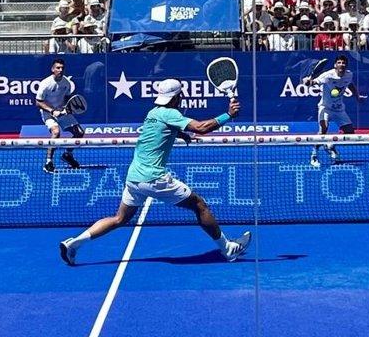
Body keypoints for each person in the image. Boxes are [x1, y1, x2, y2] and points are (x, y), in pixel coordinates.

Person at [60, 79, 251, 265]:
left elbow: (160, 130)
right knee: (199, 205)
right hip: (154, 178)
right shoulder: (170, 113)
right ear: (177, 97)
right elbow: (201, 128)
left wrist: (181, 133)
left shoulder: (153, 112)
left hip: (134, 177)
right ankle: (228, 249)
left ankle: (74, 243)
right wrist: (228, 115)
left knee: (119, 218)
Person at [304, 54, 366, 168]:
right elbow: (314, 83)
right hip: (325, 108)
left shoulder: (349, 74)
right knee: (323, 129)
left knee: (350, 134)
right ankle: (314, 156)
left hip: (339, 109)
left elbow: (350, 84)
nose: (341, 64)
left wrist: (357, 96)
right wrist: (308, 82)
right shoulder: (327, 76)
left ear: (346, 65)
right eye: (339, 62)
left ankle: (331, 145)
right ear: (335, 65)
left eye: (343, 63)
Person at [34, 59, 84, 173]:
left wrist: (67, 108)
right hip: (48, 112)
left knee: (79, 132)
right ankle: (48, 162)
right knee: (56, 132)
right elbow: (38, 102)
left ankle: (68, 155)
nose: (60, 70)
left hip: (61, 111)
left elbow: (67, 97)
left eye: (62, 68)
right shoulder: (45, 83)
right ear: (52, 69)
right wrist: (52, 111)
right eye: (57, 68)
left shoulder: (66, 82)